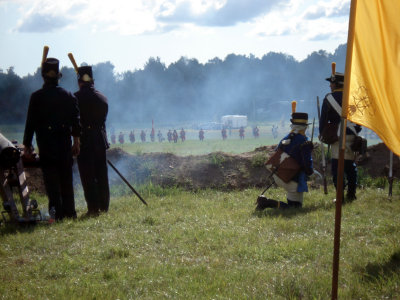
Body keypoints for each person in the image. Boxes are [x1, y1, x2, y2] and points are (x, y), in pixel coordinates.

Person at [23, 57, 81, 221]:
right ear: (58, 76)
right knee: (66, 181)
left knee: (52, 183)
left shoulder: (36, 97)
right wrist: (76, 141)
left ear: (43, 77)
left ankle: (56, 214)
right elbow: (76, 122)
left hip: (46, 145)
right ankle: (70, 213)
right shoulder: (69, 96)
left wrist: (27, 144)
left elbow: (30, 123)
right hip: (64, 144)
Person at [256, 112, 313, 210]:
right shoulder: (304, 142)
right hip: (291, 179)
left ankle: (266, 202)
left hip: (278, 174)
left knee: (294, 203)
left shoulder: (286, 138)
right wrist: (312, 173)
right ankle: (267, 202)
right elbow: (307, 166)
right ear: (304, 127)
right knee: (295, 208)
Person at [319, 68, 361, 201]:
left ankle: (340, 197)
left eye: (331, 83)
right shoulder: (352, 97)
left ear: (336, 84)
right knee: (350, 166)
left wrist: (322, 134)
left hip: (337, 137)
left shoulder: (328, 98)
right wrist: (356, 131)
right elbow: (359, 119)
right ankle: (351, 194)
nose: (330, 85)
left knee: (337, 168)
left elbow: (323, 120)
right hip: (352, 134)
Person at [74, 65, 110, 216]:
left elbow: (75, 122)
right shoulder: (103, 98)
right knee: (102, 174)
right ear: (92, 81)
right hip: (100, 140)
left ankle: (93, 208)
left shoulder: (75, 98)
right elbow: (103, 123)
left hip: (85, 140)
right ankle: (104, 206)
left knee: (88, 175)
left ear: (79, 82)